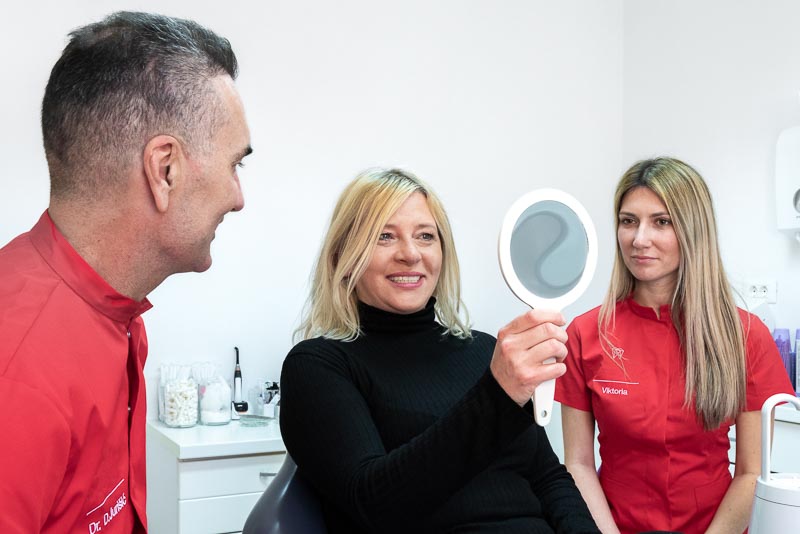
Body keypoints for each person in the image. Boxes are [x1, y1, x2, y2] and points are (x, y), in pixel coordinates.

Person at [0, 12, 251, 533]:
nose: (237, 198)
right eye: (235, 165)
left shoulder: (114, 313)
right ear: (165, 170)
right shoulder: (18, 374)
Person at [279, 168, 600, 533]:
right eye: (385, 236)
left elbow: (548, 478)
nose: (410, 254)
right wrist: (497, 394)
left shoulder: (486, 352)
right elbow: (375, 503)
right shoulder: (318, 367)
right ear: (344, 254)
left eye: (425, 236)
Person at [555, 157, 794, 534]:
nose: (639, 239)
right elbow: (579, 464)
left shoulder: (745, 336)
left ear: (693, 230)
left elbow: (752, 471)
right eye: (628, 221)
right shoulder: (585, 334)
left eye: (661, 222)